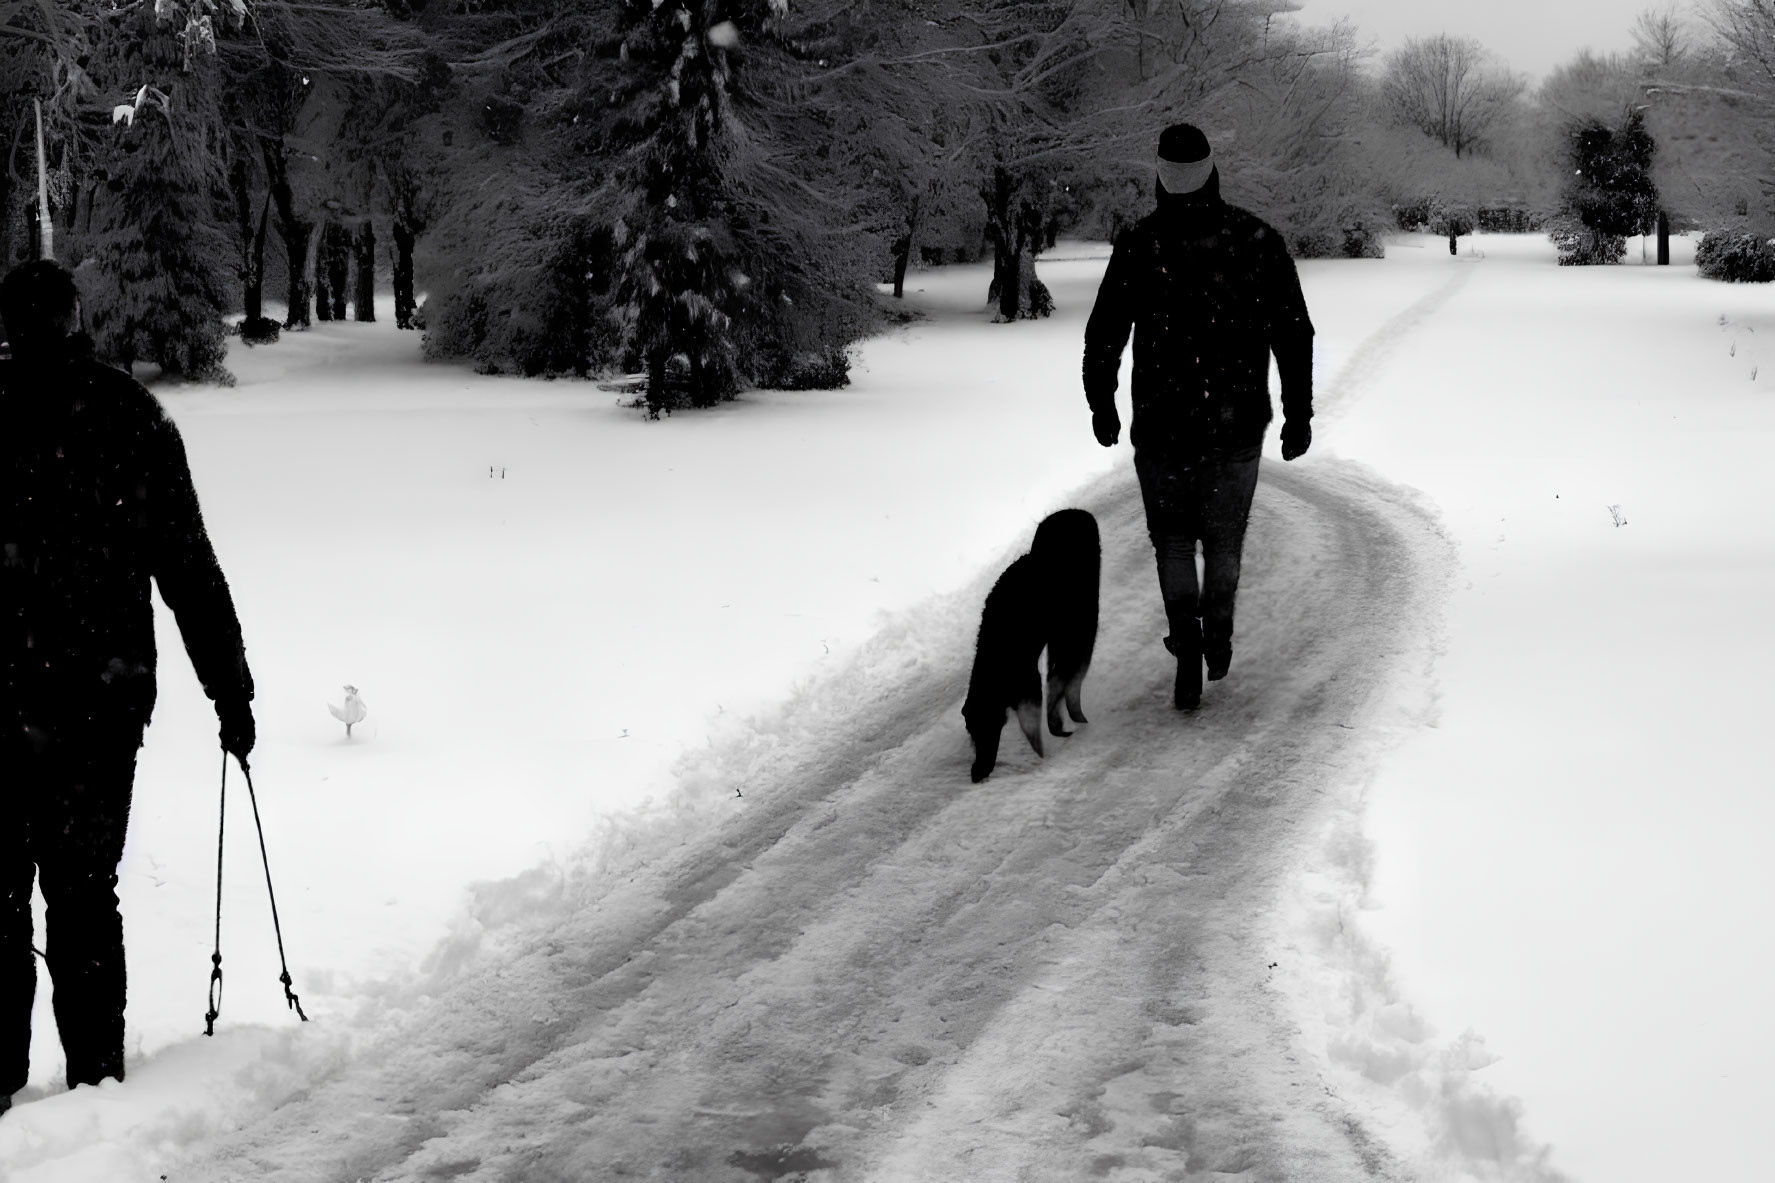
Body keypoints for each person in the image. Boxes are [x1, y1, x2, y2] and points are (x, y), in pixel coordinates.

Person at [0, 260, 254, 1111]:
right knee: (81, 892)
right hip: (96, 706)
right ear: (76, 321)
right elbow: (188, 565)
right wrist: (230, 685)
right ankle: (96, 1085)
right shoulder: (129, 418)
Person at [1082, 123, 1314, 710]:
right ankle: (1217, 637)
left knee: (1174, 543)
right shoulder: (1255, 239)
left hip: (1162, 425)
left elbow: (1104, 333)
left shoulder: (1140, 244)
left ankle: (1186, 641)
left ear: (1159, 176)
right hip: (1234, 422)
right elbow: (1294, 333)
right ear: (1212, 170)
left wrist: (1102, 401)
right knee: (1225, 541)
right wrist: (1297, 414)